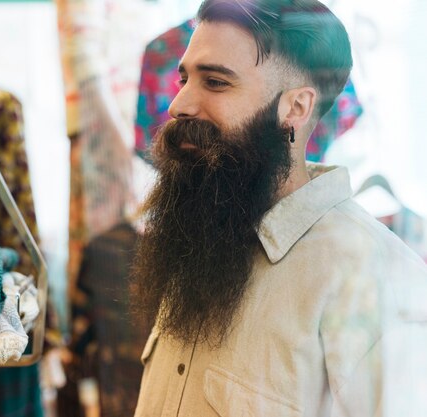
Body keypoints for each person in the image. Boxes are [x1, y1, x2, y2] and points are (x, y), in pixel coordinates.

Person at [130, 0, 427, 416]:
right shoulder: (203, 236)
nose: (178, 104)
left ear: (296, 108)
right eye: (184, 79)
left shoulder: (375, 282)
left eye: (215, 82)